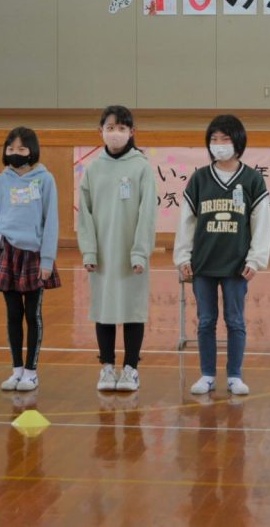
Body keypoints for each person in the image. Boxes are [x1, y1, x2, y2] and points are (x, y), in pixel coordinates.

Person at [174, 115, 270, 396]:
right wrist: (183, 257)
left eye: (225, 139)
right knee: (205, 321)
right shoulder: (200, 178)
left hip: (236, 266)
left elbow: (261, 223)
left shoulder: (252, 179)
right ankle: (206, 375)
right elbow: (186, 221)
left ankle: (234, 376)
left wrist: (256, 259)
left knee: (235, 320)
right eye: (214, 140)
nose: (219, 145)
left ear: (238, 142)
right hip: (202, 264)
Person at [77, 106, 157, 392]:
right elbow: (83, 215)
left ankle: (131, 369)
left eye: (122, 128)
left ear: (132, 132)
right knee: (104, 308)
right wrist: (89, 251)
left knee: (133, 310)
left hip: (130, 253)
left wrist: (139, 252)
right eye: (110, 128)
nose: (116, 133)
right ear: (100, 131)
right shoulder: (93, 169)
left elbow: (147, 214)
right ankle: (107, 367)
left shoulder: (141, 167)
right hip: (102, 255)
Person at [0, 127, 60, 392]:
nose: (15, 153)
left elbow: (51, 220)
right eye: (10, 149)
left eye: (21, 149)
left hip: (34, 254)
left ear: (32, 150)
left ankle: (31, 370)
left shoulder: (45, 179)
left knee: (32, 313)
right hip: (6, 251)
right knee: (12, 314)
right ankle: (16, 369)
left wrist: (47, 260)